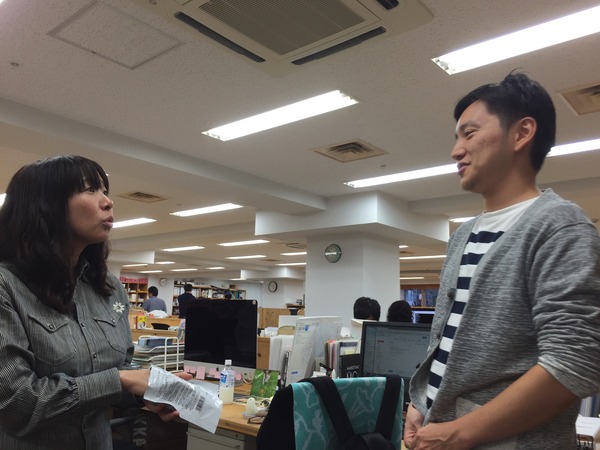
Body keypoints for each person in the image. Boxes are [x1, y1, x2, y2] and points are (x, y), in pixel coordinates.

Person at [404, 73, 600, 450]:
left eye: (469, 133)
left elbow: (576, 359)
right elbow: (447, 339)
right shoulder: (462, 234)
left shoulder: (559, 225)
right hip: (438, 431)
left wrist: (457, 432)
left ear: (522, 133)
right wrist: (420, 402)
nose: (456, 150)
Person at [0, 155, 190, 449]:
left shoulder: (108, 288)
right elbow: (16, 404)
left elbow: (118, 372)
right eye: (90, 189)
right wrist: (122, 380)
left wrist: (147, 393)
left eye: (105, 190)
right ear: (45, 204)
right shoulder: (7, 285)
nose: (108, 202)